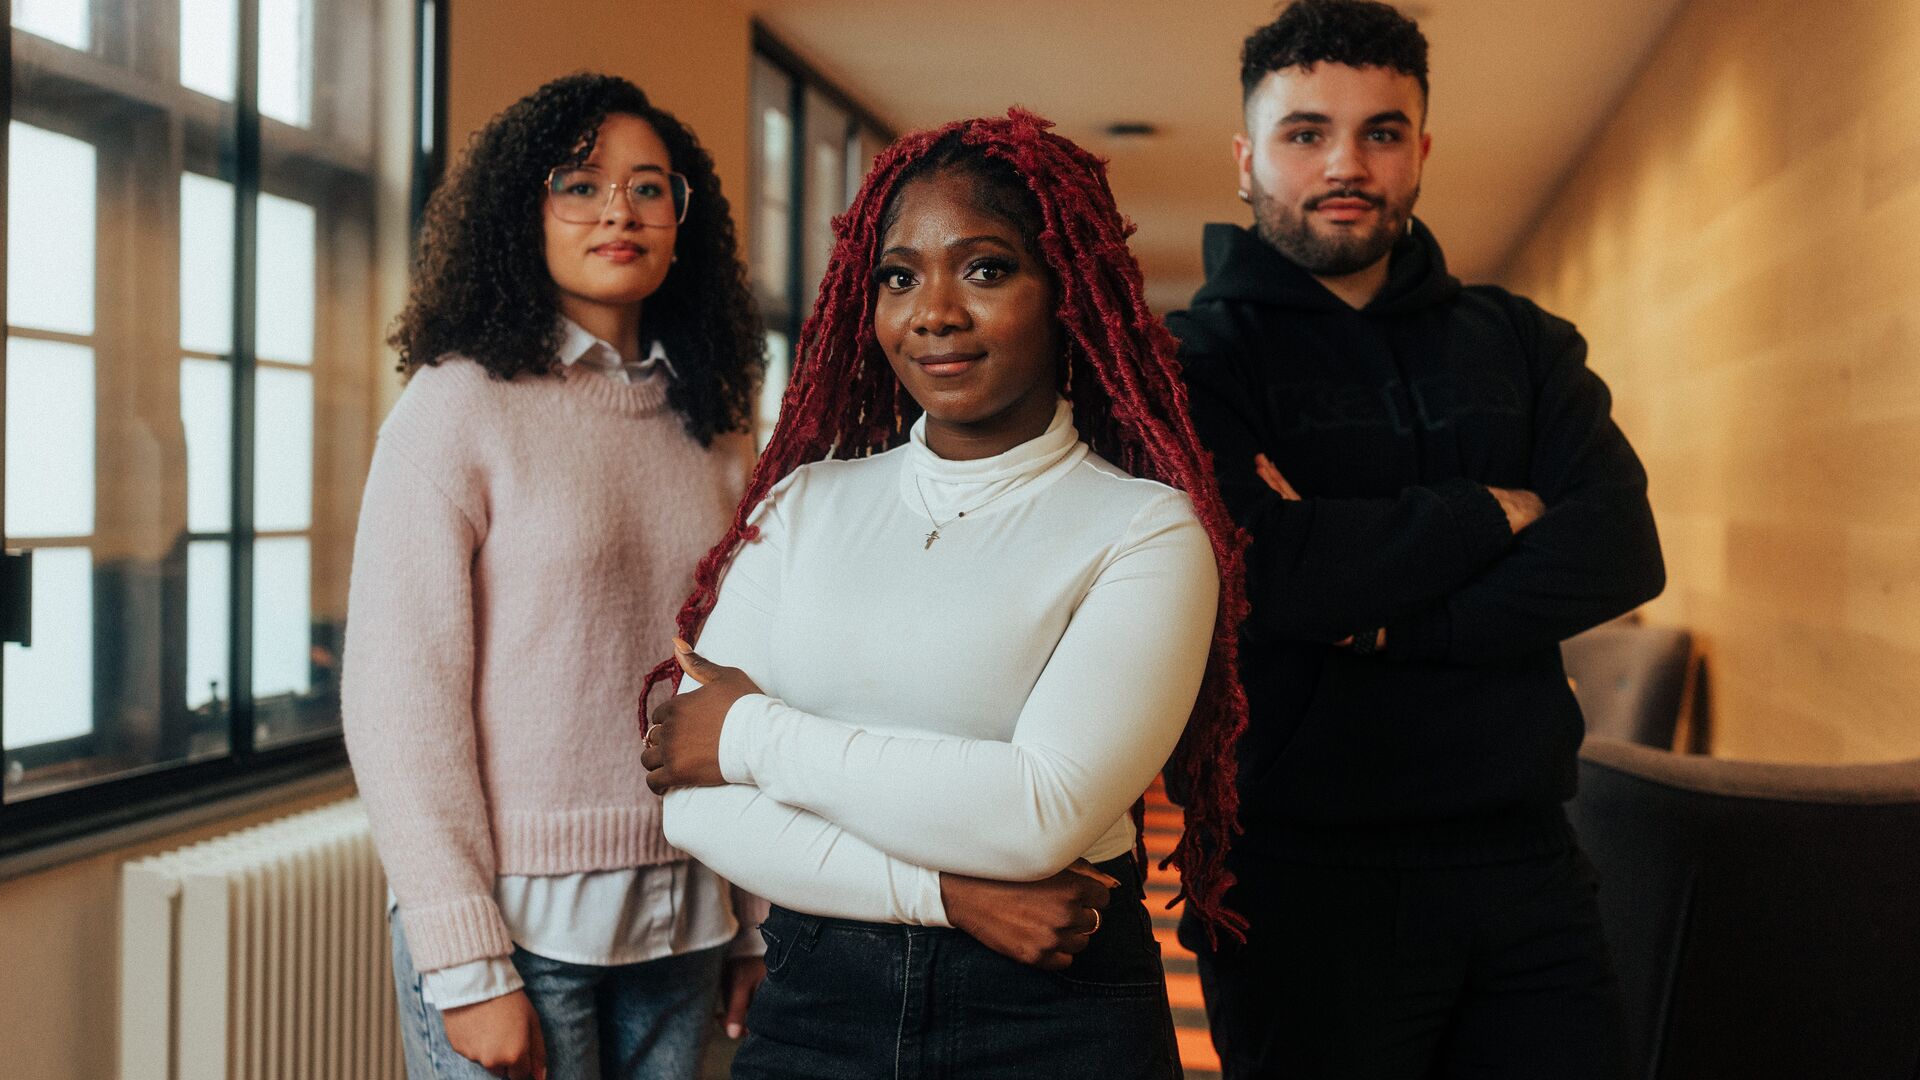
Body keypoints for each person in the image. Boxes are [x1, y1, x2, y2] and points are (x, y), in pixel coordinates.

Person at [635, 111, 1252, 1080]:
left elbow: (1036, 812)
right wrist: (951, 893)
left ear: (1066, 294)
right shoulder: (805, 504)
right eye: (899, 276)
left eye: (985, 268)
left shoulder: (1146, 529)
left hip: (1050, 1013)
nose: (934, 313)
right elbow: (695, 807)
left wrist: (751, 734)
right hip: (815, 1009)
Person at [1168, 2, 1665, 1077]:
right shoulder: (1192, 363)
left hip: (1527, 859)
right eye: (1307, 133)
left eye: (1382, 132)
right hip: (1299, 876)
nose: (1347, 162)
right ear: (1246, 159)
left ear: (1422, 150)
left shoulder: (1524, 341)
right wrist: (1490, 511)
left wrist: (1388, 625)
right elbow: (1263, 570)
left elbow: (1621, 546)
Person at [341, 72, 767, 1080]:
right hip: (521, 939)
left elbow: (746, 679)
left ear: (682, 220)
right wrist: (466, 963)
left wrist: (752, 921)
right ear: (519, 212)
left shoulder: (711, 421)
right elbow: (399, 705)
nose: (619, 208)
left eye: (650, 187)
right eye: (579, 184)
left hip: (689, 924)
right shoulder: (457, 410)